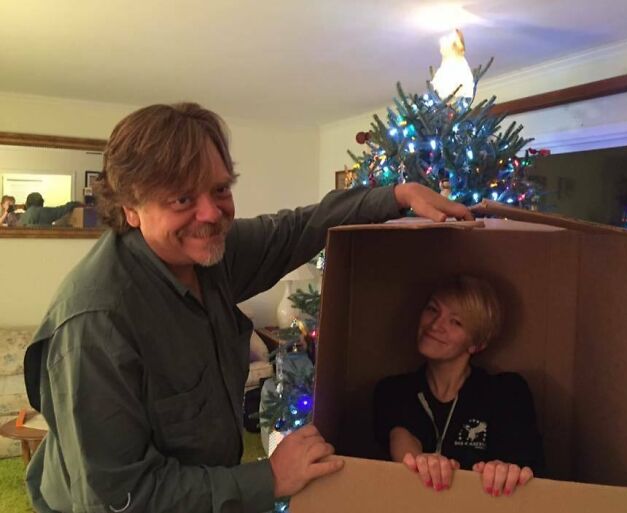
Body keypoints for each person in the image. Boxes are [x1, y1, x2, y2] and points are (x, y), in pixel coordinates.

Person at [23, 102, 473, 513]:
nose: (212, 214)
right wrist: (270, 477)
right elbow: (118, 499)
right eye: (182, 198)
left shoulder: (206, 254)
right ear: (131, 208)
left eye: (219, 189)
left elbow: (296, 228)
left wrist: (396, 196)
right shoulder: (95, 325)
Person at [374, 275, 543, 498]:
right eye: (433, 309)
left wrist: (504, 470)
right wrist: (419, 463)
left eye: (456, 322)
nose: (435, 325)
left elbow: (524, 464)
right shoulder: (394, 390)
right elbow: (401, 436)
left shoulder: (506, 393)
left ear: (477, 343)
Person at [17, 192, 81, 226]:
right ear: (41, 202)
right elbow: (62, 209)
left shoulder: (23, 216)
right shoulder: (45, 212)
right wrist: (74, 203)